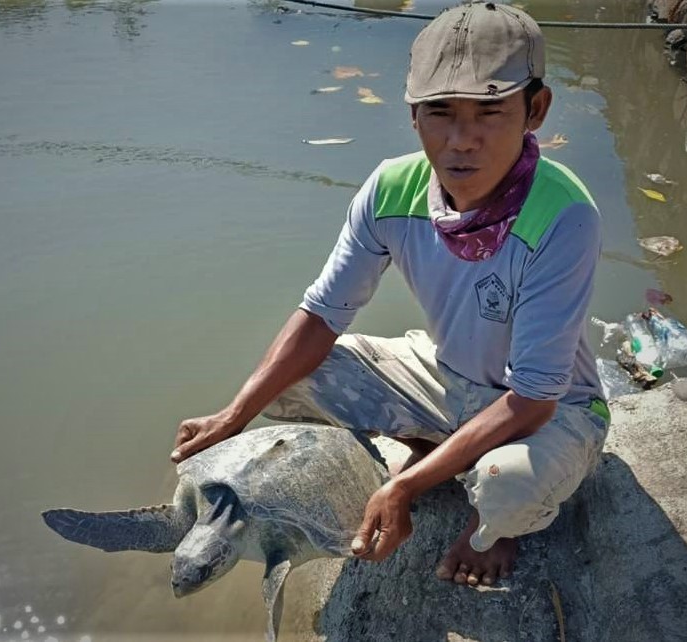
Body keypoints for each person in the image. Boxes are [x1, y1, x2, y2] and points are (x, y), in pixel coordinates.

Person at [171, 1, 609, 588]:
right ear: (413, 116)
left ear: (535, 110)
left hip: (555, 409)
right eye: (440, 112)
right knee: (292, 376)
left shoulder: (564, 214)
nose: (462, 140)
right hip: (448, 375)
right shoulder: (390, 189)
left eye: (489, 112)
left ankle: (492, 525)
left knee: (506, 483)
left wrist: (403, 486)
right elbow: (322, 315)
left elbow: (533, 399)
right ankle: (431, 446)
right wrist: (233, 414)